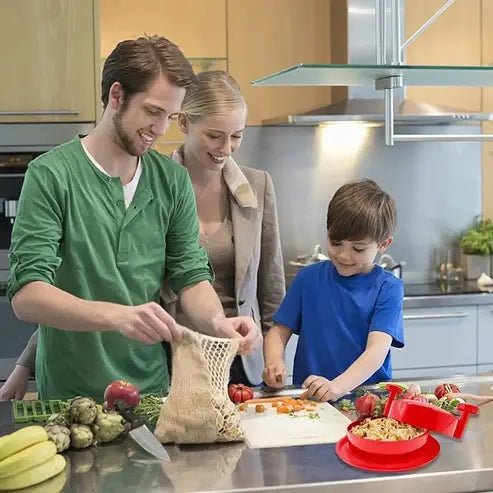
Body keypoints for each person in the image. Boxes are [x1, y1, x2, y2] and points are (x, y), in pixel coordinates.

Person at [2, 37, 261, 402]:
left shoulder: (171, 181)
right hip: (68, 395)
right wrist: (119, 317)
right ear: (117, 96)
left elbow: (191, 276)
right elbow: (27, 296)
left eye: (170, 117)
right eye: (153, 112)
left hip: (152, 394)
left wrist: (218, 323)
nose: (161, 129)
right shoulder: (51, 175)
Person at [262, 179, 404, 402]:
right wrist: (274, 361)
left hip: (367, 402)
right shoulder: (308, 279)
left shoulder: (388, 288)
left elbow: (376, 352)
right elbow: (278, 332)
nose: (343, 255)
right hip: (311, 400)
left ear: (384, 244)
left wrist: (337, 386)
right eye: (336, 242)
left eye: (358, 248)